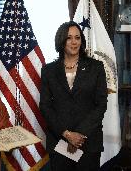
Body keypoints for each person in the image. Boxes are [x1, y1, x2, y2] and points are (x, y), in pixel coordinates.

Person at [39, 21, 107, 171]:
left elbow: (101, 105)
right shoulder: (49, 71)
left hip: (88, 142)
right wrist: (67, 134)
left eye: (77, 37)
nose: (74, 42)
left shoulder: (96, 68)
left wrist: (79, 134)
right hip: (59, 141)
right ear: (61, 40)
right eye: (69, 38)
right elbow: (45, 106)